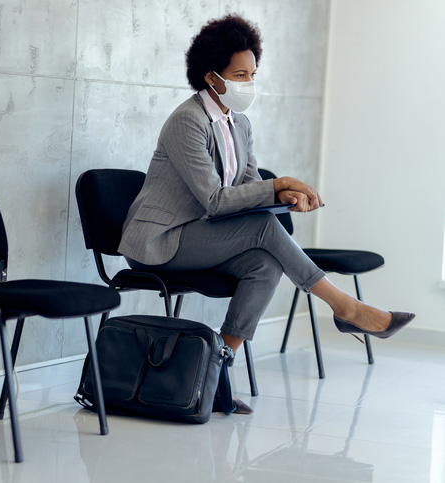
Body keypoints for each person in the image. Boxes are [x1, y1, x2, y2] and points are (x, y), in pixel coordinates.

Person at [117, 14, 415, 414]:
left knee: (264, 263)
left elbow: (248, 189)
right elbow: (217, 201)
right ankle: (345, 308)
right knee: (262, 229)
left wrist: (288, 195)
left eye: (252, 74)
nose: (248, 84)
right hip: (160, 242)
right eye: (240, 75)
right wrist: (278, 183)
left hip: (201, 235)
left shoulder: (238, 123)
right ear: (212, 77)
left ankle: (215, 371)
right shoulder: (186, 122)